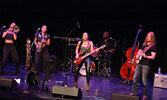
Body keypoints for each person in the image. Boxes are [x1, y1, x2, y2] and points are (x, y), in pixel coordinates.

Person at [130, 32, 157, 100]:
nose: (148, 37)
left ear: (152, 38)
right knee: (135, 77)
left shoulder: (153, 46)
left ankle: (145, 95)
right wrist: (137, 55)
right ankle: (133, 92)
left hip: (146, 64)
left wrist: (146, 56)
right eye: (147, 36)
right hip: (140, 63)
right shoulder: (144, 44)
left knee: (144, 80)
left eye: (150, 36)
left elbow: (153, 57)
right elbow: (140, 51)